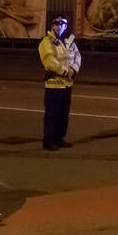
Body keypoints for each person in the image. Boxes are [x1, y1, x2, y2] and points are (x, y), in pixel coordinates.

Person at [38, 15, 81, 151]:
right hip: (54, 84)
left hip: (67, 84)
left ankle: (59, 138)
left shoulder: (69, 41)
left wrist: (73, 70)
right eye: (57, 23)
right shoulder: (47, 42)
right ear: (52, 25)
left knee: (63, 113)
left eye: (63, 23)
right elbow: (49, 60)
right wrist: (64, 71)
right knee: (52, 113)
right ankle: (48, 140)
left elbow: (78, 56)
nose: (60, 25)